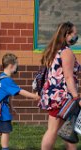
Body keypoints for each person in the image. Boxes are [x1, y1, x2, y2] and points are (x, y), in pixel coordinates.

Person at [39, 21, 80, 150]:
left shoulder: (53, 50)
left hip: (53, 95)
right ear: (67, 34)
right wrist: (75, 97)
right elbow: (68, 76)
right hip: (62, 97)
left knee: (68, 128)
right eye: (74, 33)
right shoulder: (66, 52)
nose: (76, 36)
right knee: (53, 130)